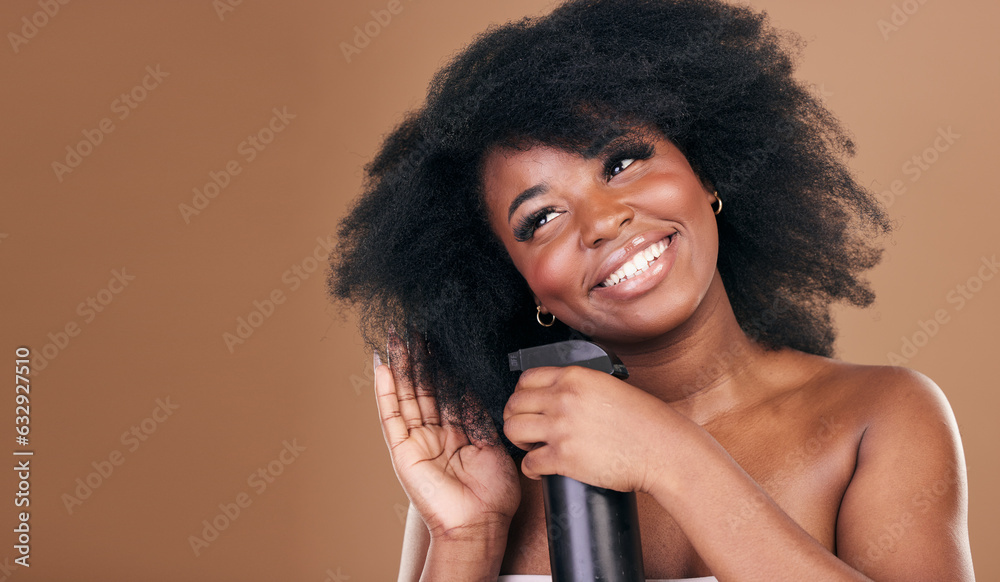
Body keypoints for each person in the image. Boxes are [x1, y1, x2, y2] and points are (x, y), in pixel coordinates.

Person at [328, 0, 974, 580]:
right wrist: (467, 536)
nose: (604, 220)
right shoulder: (488, 459)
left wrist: (671, 457)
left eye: (621, 161)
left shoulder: (878, 415)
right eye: (541, 219)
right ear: (515, 280)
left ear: (707, 174)